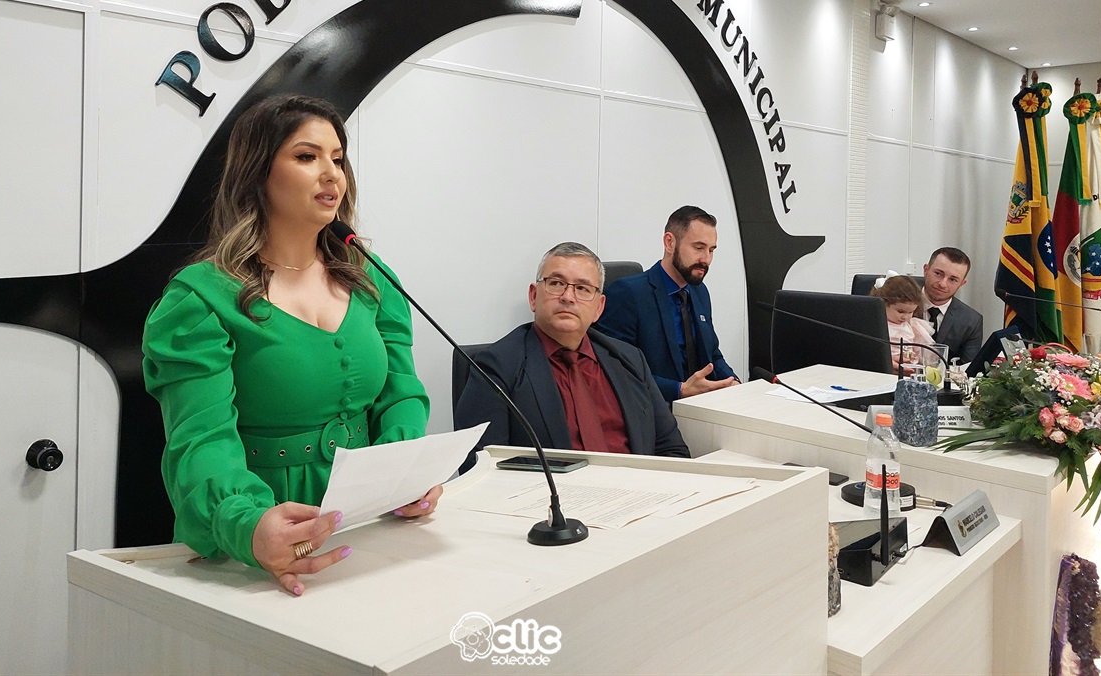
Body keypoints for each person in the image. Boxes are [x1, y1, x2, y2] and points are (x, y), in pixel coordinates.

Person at [142, 95, 441, 595]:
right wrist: (246, 523)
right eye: (306, 156)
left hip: (368, 525)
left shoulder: (371, 278)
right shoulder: (199, 300)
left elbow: (401, 392)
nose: (331, 175)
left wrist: (401, 473)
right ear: (258, 173)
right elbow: (200, 441)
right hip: (263, 533)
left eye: (337, 159)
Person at [454, 242, 690, 460]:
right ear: (534, 296)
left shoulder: (630, 360)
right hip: (549, 492)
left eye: (582, 288)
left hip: (636, 489)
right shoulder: (496, 367)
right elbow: (481, 465)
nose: (568, 297)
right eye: (556, 284)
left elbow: (672, 450)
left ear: (599, 308)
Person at [597, 206, 740, 402]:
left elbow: (712, 353)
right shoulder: (628, 294)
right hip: (654, 409)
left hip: (701, 406)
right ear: (669, 243)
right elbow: (616, 369)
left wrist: (733, 383)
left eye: (711, 250)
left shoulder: (699, 291)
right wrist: (679, 390)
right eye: (698, 248)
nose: (706, 259)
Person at [921, 247, 983, 365]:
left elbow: (967, 369)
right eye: (938, 274)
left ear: (962, 283)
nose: (942, 284)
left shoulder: (971, 321)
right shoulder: (895, 303)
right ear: (926, 270)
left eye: (953, 279)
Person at [871, 274, 934, 368]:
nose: (905, 317)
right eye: (901, 311)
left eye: (911, 312)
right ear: (883, 304)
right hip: (882, 367)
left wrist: (914, 356)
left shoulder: (913, 326)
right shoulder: (877, 325)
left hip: (907, 367)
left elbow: (922, 352)